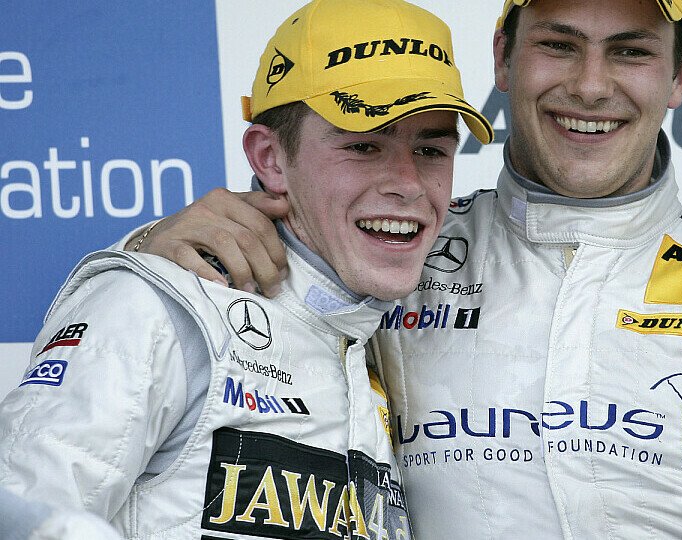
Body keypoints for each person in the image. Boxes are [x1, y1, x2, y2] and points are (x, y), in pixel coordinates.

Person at [128, 0, 682, 538]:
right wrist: (154, 252)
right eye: (558, 44)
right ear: (504, 57)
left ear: (680, 75)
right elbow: (255, 303)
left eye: (629, 50)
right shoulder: (394, 252)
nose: (591, 84)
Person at [0, 1, 493, 538]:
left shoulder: (378, 332)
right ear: (270, 158)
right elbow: (21, 513)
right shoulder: (161, 306)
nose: (407, 183)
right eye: (364, 146)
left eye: (431, 149)